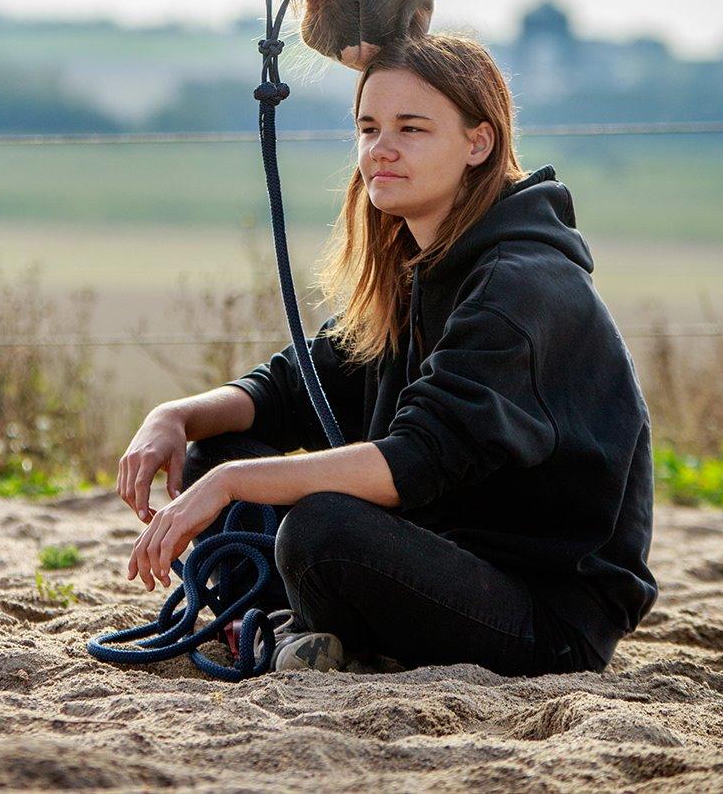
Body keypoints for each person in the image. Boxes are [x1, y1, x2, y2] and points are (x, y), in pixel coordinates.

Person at [116, 33, 659, 676]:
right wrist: (174, 417)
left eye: (412, 128)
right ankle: (274, 626)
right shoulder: (418, 264)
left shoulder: (523, 283)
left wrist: (228, 486)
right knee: (222, 447)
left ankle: (301, 628)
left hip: (545, 615)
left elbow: (413, 462)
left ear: (478, 143)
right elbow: (296, 387)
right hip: (437, 554)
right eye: (368, 127)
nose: (381, 149)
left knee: (320, 529)